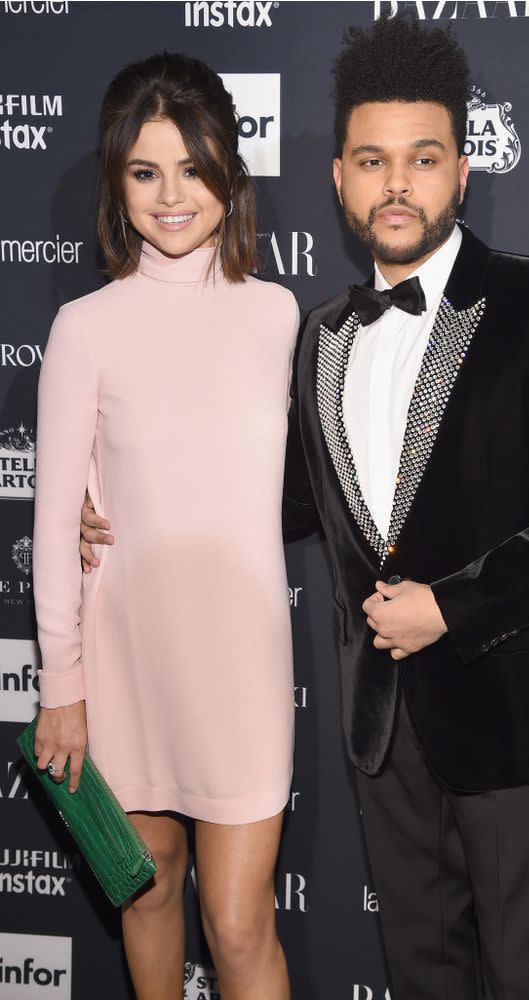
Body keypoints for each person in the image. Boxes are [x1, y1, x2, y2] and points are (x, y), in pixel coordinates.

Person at [81, 15, 529, 1000]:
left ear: (460, 172)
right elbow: (278, 502)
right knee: (419, 977)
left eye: (421, 159)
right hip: (385, 736)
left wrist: (453, 602)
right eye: (373, 160)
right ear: (339, 179)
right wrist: (119, 512)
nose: (396, 183)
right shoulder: (318, 336)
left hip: (517, 726)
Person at [33, 53, 296, 1000]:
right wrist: (60, 684)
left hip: (242, 658)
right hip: (127, 661)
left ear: (229, 168)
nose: (171, 196)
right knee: (146, 897)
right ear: (117, 183)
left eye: (192, 167)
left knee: (238, 922)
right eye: (145, 173)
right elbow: (56, 515)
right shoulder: (86, 327)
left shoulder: (277, 314)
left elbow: (298, 483)